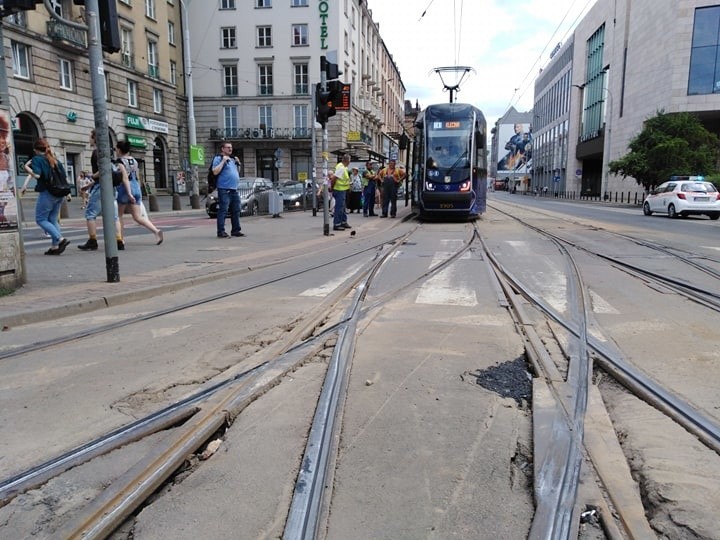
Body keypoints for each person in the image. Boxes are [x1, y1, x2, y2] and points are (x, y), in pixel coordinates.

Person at [20, 138, 70, 255]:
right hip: (59, 193)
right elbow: (64, 177)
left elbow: (37, 175)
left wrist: (26, 167)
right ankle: (54, 247)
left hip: (48, 193)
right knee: (53, 219)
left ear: (36, 150)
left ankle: (60, 239)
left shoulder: (37, 159)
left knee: (41, 219)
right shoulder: (55, 160)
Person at [77, 129, 124, 251]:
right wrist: (88, 186)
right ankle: (119, 240)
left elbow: (104, 170)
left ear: (94, 138)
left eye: (90, 137)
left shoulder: (96, 153)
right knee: (114, 216)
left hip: (100, 188)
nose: (89, 139)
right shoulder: (107, 153)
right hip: (111, 187)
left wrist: (92, 177)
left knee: (90, 214)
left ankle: (92, 241)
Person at [115, 140, 163, 245]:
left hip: (125, 189)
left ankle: (120, 239)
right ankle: (156, 231)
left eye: (116, 149)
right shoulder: (134, 160)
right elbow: (136, 176)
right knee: (137, 216)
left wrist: (129, 193)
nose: (115, 151)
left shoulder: (120, 162)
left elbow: (125, 179)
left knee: (119, 216)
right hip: (136, 187)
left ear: (119, 149)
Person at [211, 142, 243, 238]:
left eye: (231, 147)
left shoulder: (232, 159)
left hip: (234, 189)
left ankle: (236, 230)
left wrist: (238, 164)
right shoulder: (218, 158)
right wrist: (223, 161)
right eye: (228, 147)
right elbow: (215, 172)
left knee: (236, 210)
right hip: (224, 189)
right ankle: (221, 232)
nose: (230, 149)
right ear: (222, 149)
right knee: (223, 210)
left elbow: (236, 173)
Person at [328, 153, 351, 231]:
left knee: (343, 207)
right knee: (339, 207)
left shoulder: (343, 167)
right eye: (349, 161)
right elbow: (334, 178)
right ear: (347, 161)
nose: (349, 162)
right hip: (339, 190)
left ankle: (343, 222)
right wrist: (331, 187)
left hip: (342, 190)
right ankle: (337, 224)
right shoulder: (341, 168)